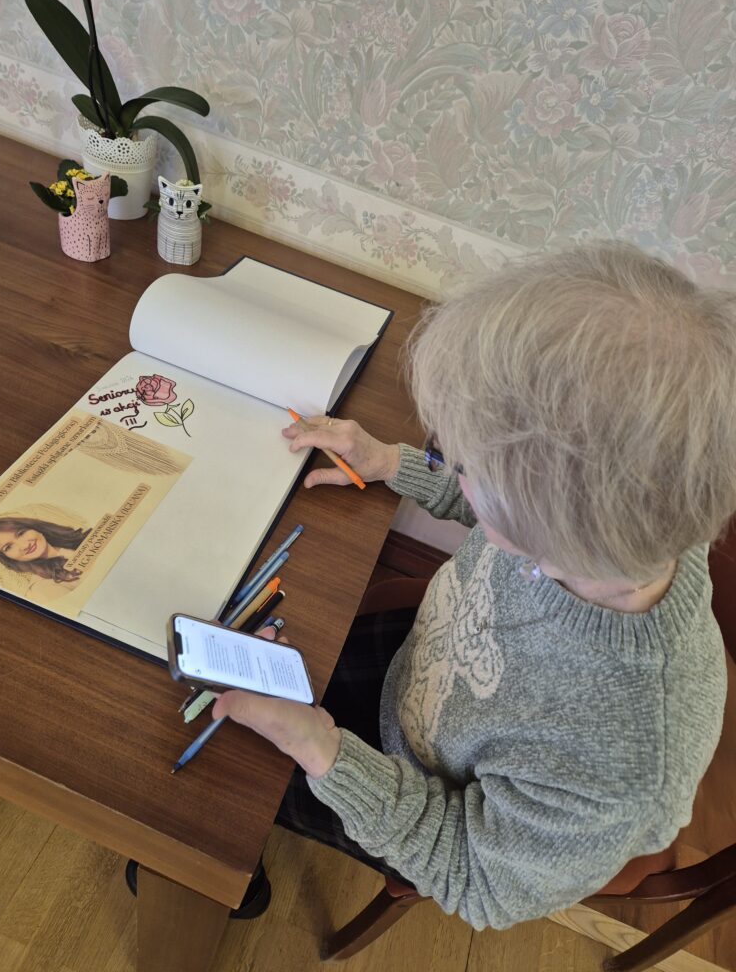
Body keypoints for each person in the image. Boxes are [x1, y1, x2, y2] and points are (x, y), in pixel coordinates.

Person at [213, 242, 734, 930]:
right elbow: (506, 505)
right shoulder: (646, 506)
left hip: (417, 800)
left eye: (462, 463)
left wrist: (322, 751)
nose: (448, 463)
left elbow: (473, 878)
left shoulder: (619, 766)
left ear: (548, 528)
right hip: (423, 675)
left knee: (215, 780)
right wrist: (390, 461)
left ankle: (221, 881)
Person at [0, 516, 92, 584]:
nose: (24, 546)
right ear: (6, 558)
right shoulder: (44, 585)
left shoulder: (87, 538)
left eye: (21, 533)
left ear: (35, 528)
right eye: (8, 547)